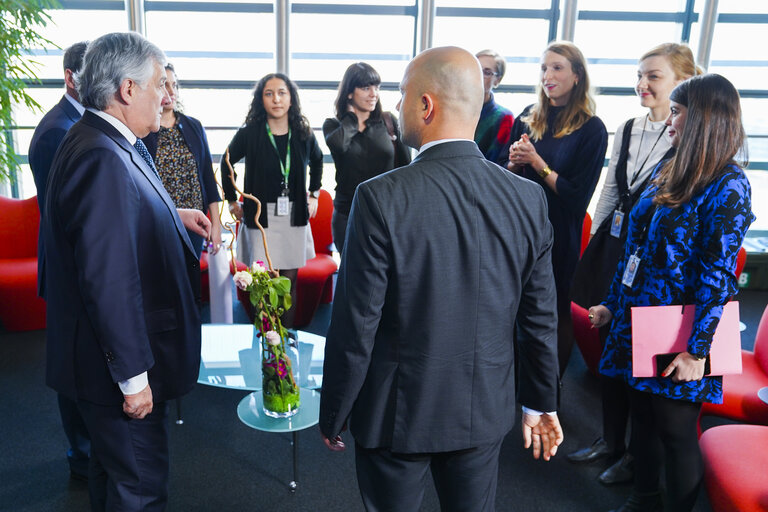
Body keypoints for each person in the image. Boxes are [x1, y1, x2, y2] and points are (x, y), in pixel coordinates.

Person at [319, 46, 563, 512]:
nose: (396, 106)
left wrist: (335, 411)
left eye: (403, 95)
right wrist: (540, 402)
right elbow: (539, 317)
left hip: (396, 413)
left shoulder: (380, 197)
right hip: (484, 407)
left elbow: (356, 325)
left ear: (426, 105)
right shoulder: (528, 199)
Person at [42, 32, 211, 510]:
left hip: (100, 365)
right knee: (138, 489)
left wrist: (171, 214)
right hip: (114, 373)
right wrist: (135, 380)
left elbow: (115, 222)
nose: (168, 95)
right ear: (127, 89)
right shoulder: (101, 156)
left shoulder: (107, 140)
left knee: (113, 478)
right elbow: (108, 278)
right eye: (161, 84)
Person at [590, 73, 754, 512]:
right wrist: (612, 301)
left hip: (686, 329)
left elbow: (718, 276)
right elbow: (636, 247)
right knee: (642, 417)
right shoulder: (673, 165)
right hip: (641, 317)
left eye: (678, 112)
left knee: (676, 430)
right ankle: (645, 498)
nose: (670, 122)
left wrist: (697, 352)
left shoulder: (730, 185)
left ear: (702, 118)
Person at [567, 43, 699, 486]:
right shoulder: (627, 128)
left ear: (683, 81)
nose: (643, 84)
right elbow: (609, 191)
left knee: (641, 362)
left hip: (654, 264)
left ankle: (636, 456)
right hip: (618, 253)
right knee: (609, 351)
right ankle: (611, 440)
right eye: (640, 75)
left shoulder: (689, 139)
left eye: (654, 77)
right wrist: (597, 248)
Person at [505, 40, 608, 376]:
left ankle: (551, 389)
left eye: (557, 68)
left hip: (559, 233)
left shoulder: (592, 129)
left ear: (577, 75)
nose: (547, 75)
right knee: (514, 308)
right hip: (521, 229)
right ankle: (512, 385)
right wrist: (514, 164)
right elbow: (508, 180)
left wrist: (537, 163)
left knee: (556, 312)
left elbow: (577, 195)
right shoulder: (528, 117)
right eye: (544, 68)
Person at [28, 40, 91, 482]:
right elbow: (63, 215)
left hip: (84, 266)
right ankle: (81, 458)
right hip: (71, 269)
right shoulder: (57, 131)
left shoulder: (80, 121)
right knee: (73, 366)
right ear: (71, 78)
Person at [222, 73, 322, 328]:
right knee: (261, 283)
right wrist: (232, 201)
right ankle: (266, 340)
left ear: (291, 99)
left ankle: (285, 339)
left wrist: (314, 194)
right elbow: (226, 162)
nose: (276, 99)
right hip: (260, 216)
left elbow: (318, 161)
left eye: (282, 93)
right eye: (269, 93)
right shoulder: (251, 133)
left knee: (288, 282)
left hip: (293, 215)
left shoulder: (302, 132)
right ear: (261, 99)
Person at [323, 62, 411, 254]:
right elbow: (339, 145)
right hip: (348, 214)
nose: (374, 93)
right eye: (365, 88)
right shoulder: (334, 125)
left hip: (387, 213)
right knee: (351, 275)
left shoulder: (388, 122)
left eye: (376, 87)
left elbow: (406, 167)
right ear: (349, 92)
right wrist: (352, 119)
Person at [142, 63, 222, 258]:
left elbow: (207, 178)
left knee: (190, 282)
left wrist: (217, 226)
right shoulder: (144, 130)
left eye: (175, 85)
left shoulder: (193, 126)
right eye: (164, 85)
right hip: (160, 222)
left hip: (195, 222)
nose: (171, 91)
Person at [474, 49, 515, 165]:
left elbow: (496, 165)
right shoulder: (453, 109)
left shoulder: (503, 117)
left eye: (486, 72)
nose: (478, 76)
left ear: (497, 80)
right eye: (476, 70)